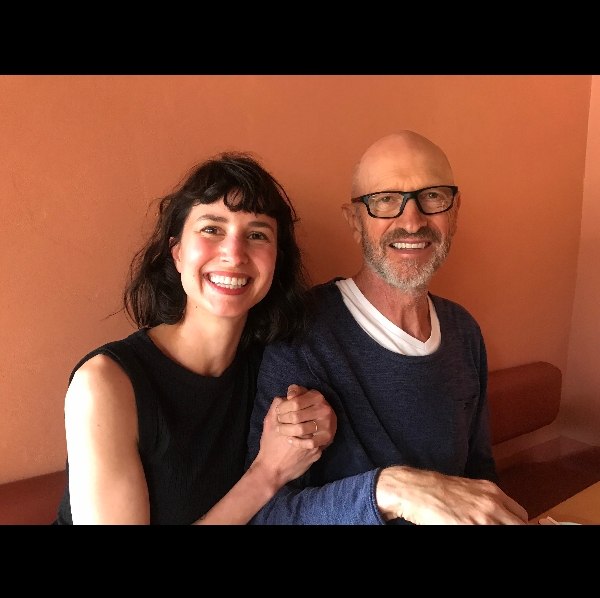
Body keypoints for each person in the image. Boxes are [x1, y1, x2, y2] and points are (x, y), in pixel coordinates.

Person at [247, 131, 529, 525]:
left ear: (454, 211)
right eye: (385, 200)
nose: (411, 221)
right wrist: (389, 490)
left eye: (432, 196)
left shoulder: (464, 331)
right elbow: (266, 514)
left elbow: (479, 475)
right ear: (355, 221)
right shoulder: (301, 336)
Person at [55, 153, 336, 525]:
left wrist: (312, 422)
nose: (234, 254)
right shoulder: (105, 383)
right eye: (212, 229)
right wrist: (268, 473)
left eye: (256, 234)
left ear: (276, 262)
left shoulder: (275, 366)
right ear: (177, 253)